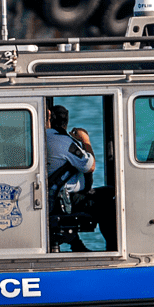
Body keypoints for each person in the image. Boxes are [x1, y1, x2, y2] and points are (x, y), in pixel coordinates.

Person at [44, 105, 95, 252]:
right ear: (66, 122)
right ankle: (111, 246)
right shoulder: (63, 141)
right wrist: (85, 140)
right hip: (63, 199)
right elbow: (89, 165)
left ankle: (76, 243)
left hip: (52, 197)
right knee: (108, 199)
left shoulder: (42, 137)